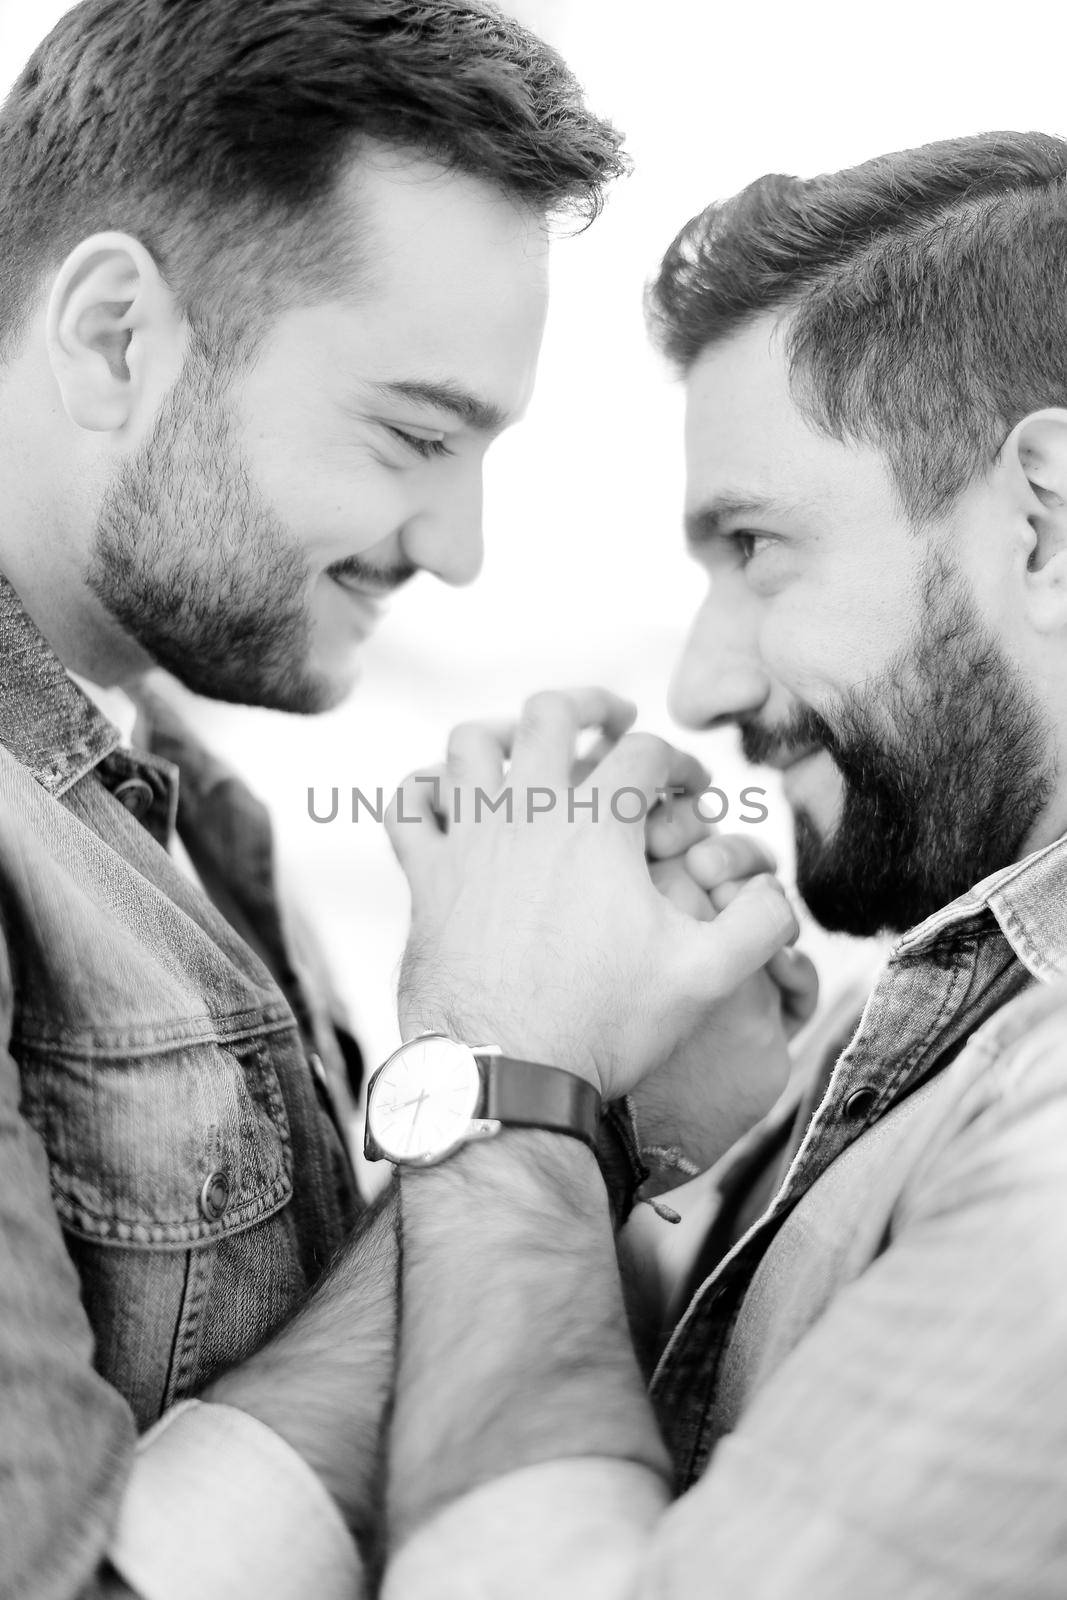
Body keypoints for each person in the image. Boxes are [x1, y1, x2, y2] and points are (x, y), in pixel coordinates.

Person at [0, 2, 649, 1595]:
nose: (458, 545)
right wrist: (511, 1074)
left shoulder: (179, 801)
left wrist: (614, 1090)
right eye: (416, 431)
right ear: (113, 338)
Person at [375, 131, 1067, 1597]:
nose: (697, 685)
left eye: (754, 545)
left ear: (1049, 523)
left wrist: (499, 1076)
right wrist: (673, 1131)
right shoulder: (972, 1038)